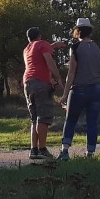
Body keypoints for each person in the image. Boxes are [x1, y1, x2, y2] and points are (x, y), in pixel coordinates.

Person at [58, 18, 100, 161]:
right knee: (92, 122)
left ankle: (65, 151)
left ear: (78, 31)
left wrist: (65, 94)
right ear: (90, 31)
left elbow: (72, 72)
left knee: (71, 120)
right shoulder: (98, 48)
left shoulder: (75, 48)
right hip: (97, 88)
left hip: (79, 88)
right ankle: (90, 152)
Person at [22, 27, 66, 160]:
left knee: (34, 118)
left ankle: (33, 150)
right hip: (41, 83)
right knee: (43, 118)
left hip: (27, 83)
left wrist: (52, 46)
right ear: (40, 35)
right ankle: (42, 149)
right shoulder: (43, 44)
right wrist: (58, 78)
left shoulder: (27, 49)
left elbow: (39, 53)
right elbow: (49, 61)